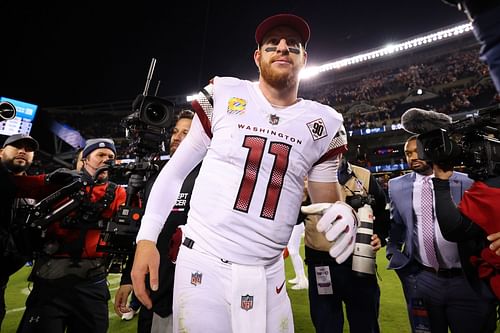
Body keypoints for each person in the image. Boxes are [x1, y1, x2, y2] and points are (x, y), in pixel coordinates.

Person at [131, 13, 357, 333]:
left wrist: (343, 210)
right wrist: (146, 240)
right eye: (272, 44)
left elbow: (325, 205)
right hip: (204, 262)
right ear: (257, 56)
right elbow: (175, 171)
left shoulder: (324, 124)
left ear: (304, 58)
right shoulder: (226, 94)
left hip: (270, 272)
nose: (282, 48)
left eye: (293, 45)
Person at [13, 138, 130, 333]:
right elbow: (14, 184)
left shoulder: (118, 193)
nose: (106, 160)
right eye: (100, 155)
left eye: (111, 156)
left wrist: (127, 279)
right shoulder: (59, 183)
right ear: (85, 160)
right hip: (50, 282)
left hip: (92, 283)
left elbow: (133, 236)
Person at [386, 135, 497, 333]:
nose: (413, 157)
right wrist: (396, 256)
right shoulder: (396, 186)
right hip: (423, 278)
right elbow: (396, 227)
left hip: (466, 280)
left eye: (417, 151)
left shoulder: (468, 182)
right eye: (408, 153)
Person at [115, 110, 198, 332]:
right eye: (175, 131)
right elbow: (144, 232)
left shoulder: (210, 177)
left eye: (186, 133)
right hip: (154, 291)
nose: (177, 137)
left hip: (193, 292)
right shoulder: (157, 178)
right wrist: (127, 278)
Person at [303, 156, 387, 333]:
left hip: (360, 262)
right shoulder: (304, 178)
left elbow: (382, 212)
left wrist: (380, 235)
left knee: (365, 323)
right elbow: (293, 219)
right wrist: (301, 197)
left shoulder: (363, 175)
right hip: (321, 264)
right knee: (326, 324)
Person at [0, 134, 38, 329]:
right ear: (1, 152)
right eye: (16, 146)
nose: (23, 150)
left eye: (28, 149)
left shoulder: (33, 191)